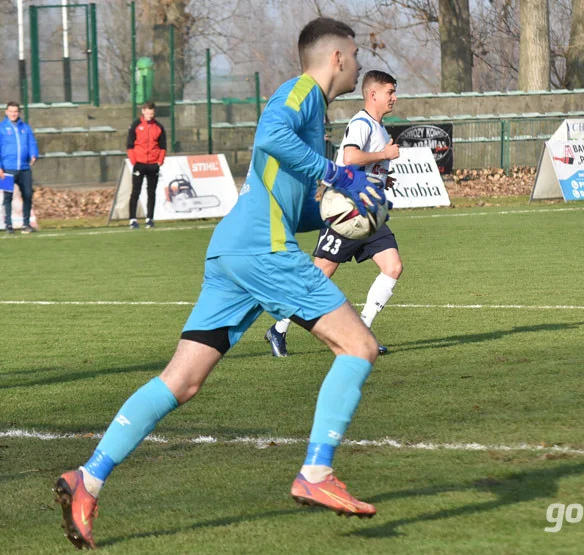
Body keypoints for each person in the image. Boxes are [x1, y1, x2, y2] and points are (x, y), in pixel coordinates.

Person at [54, 18, 388, 549]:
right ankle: (317, 473)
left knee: (181, 381)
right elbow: (269, 136)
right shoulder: (301, 91)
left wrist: (337, 213)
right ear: (338, 58)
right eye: (355, 52)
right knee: (359, 345)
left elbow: (292, 198)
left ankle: (86, 479)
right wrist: (340, 174)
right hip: (262, 249)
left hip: (234, 249)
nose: (358, 60)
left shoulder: (312, 112)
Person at [266, 70, 402, 357]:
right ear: (373, 94)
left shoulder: (380, 128)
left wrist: (381, 177)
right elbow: (350, 157)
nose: (394, 97)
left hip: (369, 211)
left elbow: (361, 166)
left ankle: (363, 335)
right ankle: (278, 329)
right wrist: (384, 156)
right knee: (319, 276)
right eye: (390, 92)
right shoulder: (362, 123)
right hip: (346, 211)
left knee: (393, 267)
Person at [0, 101, 39, 234]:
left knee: (28, 195)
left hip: (24, 168)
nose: (13, 114)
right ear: (6, 112)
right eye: (11, 111)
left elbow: (32, 143)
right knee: (7, 197)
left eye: (15, 111)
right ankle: (8, 225)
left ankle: (26, 224)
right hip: (7, 169)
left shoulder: (25, 128)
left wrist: (34, 154)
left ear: (19, 112)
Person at [125, 101, 167, 229]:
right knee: (135, 192)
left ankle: (150, 218)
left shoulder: (159, 127)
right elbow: (130, 145)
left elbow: (163, 146)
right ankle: (132, 219)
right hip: (139, 164)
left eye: (152, 113)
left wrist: (160, 160)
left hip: (153, 164)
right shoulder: (136, 125)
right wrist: (134, 161)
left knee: (151, 192)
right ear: (143, 111)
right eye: (148, 113)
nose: (150, 115)